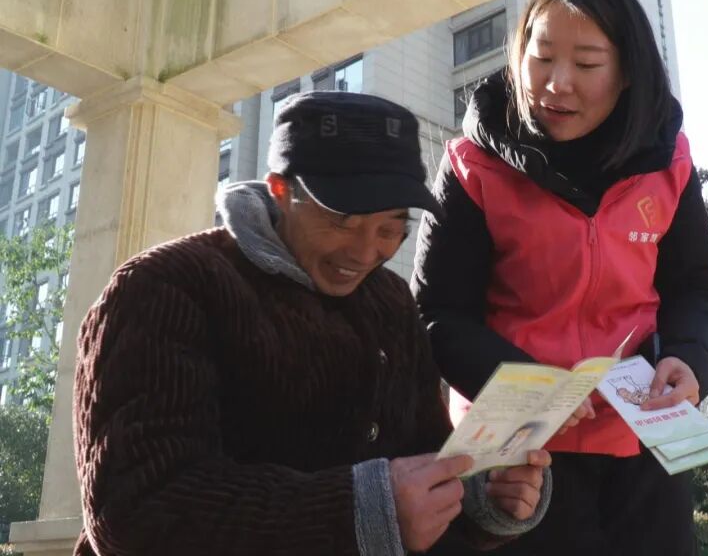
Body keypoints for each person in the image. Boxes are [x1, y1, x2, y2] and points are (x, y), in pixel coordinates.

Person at [72, 92, 552, 556]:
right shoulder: (169, 285)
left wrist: (484, 492)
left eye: (391, 229)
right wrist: (363, 510)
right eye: (342, 221)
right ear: (280, 190)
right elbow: (137, 508)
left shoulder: (390, 301)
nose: (365, 252)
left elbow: (421, 458)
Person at [412, 0, 708, 556]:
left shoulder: (669, 162)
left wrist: (691, 359)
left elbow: (695, 285)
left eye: (585, 64)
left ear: (627, 73)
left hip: (644, 441)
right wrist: (535, 386)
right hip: (520, 452)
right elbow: (436, 313)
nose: (556, 84)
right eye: (542, 57)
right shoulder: (474, 166)